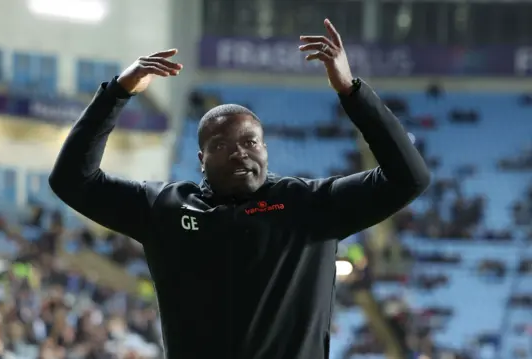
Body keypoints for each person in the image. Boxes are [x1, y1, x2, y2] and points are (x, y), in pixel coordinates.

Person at [49, 19, 430, 359]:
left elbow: (408, 178)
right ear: (201, 158)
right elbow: (71, 180)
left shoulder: (309, 205)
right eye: (221, 145)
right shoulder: (163, 208)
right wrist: (116, 93)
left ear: (265, 149)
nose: (238, 153)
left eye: (250, 142)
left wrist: (352, 92)